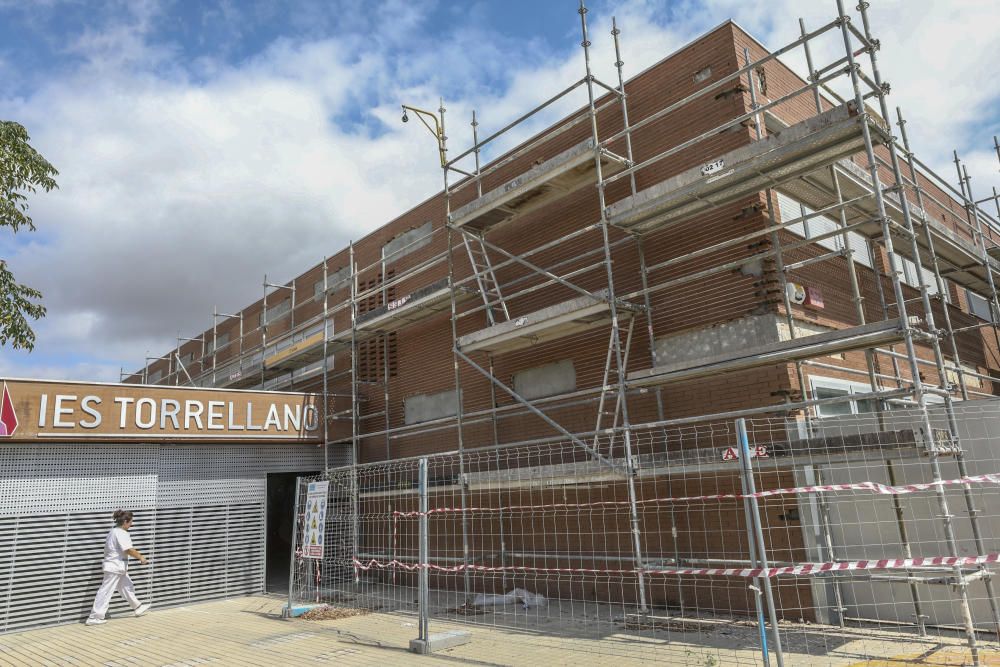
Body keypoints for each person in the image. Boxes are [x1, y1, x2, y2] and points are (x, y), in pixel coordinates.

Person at [85, 509, 151, 625]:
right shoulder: (121, 533)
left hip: (118, 567)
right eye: (131, 522)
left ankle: (137, 607)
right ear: (125, 521)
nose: (132, 524)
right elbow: (128, 549)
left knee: (127, 587)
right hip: (115, 567)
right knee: (105, 591)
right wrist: (141, 557)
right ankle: (94, 617)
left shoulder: (113, 531)